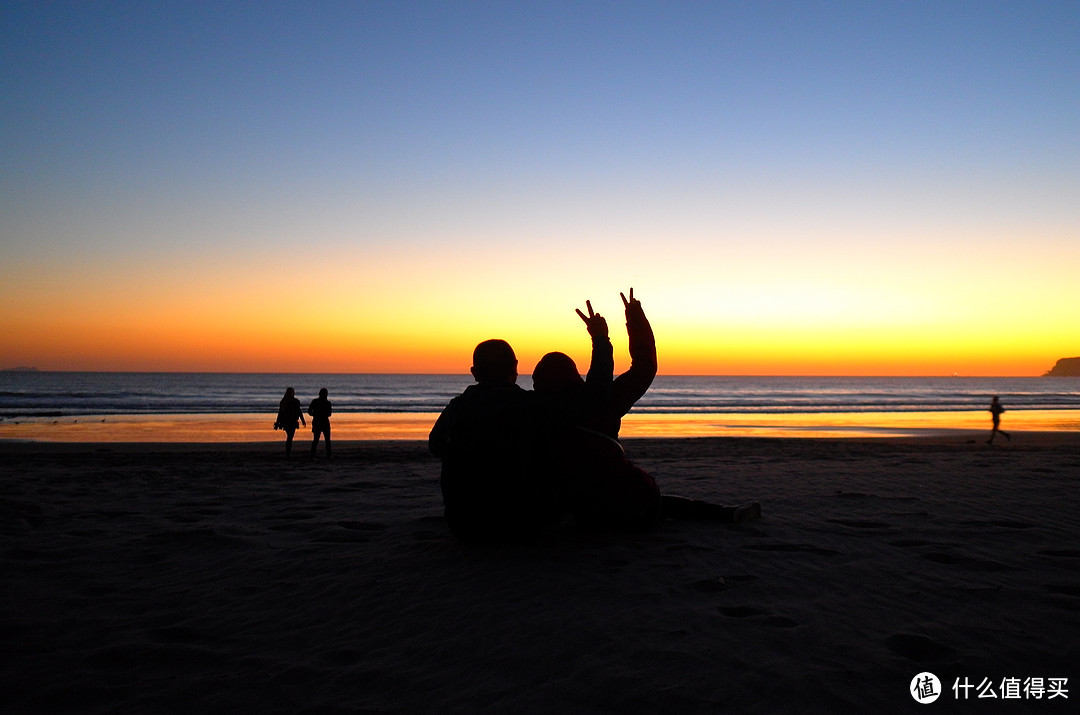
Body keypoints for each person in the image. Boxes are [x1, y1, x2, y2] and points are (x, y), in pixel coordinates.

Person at [533, 289, 759, 529]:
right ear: (575, 378)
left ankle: (725, 513)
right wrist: (634, 318)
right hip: (621, 503)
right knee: (653, 501)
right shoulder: (602, 403)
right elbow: (644, 367)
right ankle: (725, 514)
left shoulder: (528, 410)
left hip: (571, 506)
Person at [429, 339, 556, 542]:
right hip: (523, 522)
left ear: (474, 372)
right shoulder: (532, 405)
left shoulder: (458, 407)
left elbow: (435, 446)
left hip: (465, 525)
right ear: (515, 367)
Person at [274, 387, 306, 458]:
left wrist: (303, 420)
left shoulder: (288, 401)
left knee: (290, 436)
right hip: (288, 421)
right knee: (290, 436)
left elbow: (299, 411)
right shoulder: (286, 401)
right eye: (291, 392)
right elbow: (280, 412)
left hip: (291, 420)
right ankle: (288, 452)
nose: (292, 394)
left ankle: (288, 452)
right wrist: (277, 422)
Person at [308, 388, 333, 460]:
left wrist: (314, 414)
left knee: (316, 439)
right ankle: (328, 455)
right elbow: (329, 414)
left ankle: (313, 455)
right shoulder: (327, 403)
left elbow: (309, 411)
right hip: (323, 421)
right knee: (327, 440)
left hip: (317, 421)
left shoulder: (315, 401)